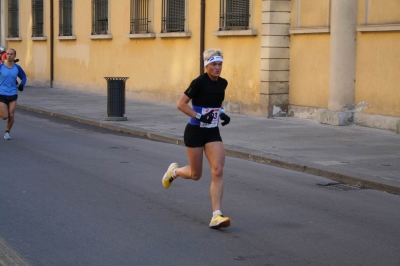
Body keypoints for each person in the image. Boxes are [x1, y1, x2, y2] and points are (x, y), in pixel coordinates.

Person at [162, 48, 232, 229]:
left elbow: (216, 104)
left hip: (212, 132)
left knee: (217, 171)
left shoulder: (223, 83)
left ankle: (216, 215)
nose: (218, 68)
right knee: (196, 174)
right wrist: (200, 116)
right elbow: (181, 104)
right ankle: (174, 172)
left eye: (220, 64)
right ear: (207, 65)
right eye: (214, 64)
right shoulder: (198, 82)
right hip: (195, 131)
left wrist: (222, 113)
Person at [0, 48, 27, 140]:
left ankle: (7, 132)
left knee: (11, 115)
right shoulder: (1, 67)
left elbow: (23, 76)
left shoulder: (17, 68)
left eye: (11, 54)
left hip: (13, 94)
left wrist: (22, 85)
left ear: (14, 56)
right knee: (4, 116)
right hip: (2, 93)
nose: (9, 55)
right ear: (5, 55)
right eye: (7, 54)